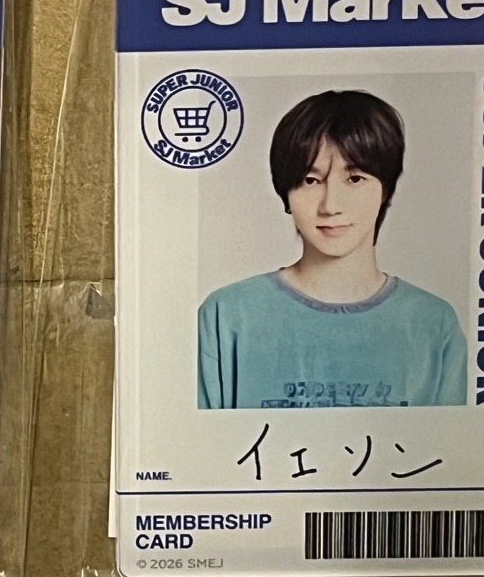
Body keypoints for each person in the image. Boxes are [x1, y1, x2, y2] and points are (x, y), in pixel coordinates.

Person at [196, 90, 466, 408]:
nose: (330, 205)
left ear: (386, 190)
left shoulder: (433, 323)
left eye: (355, 179)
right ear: (286, 193)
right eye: (311, 180)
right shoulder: (227, 316)